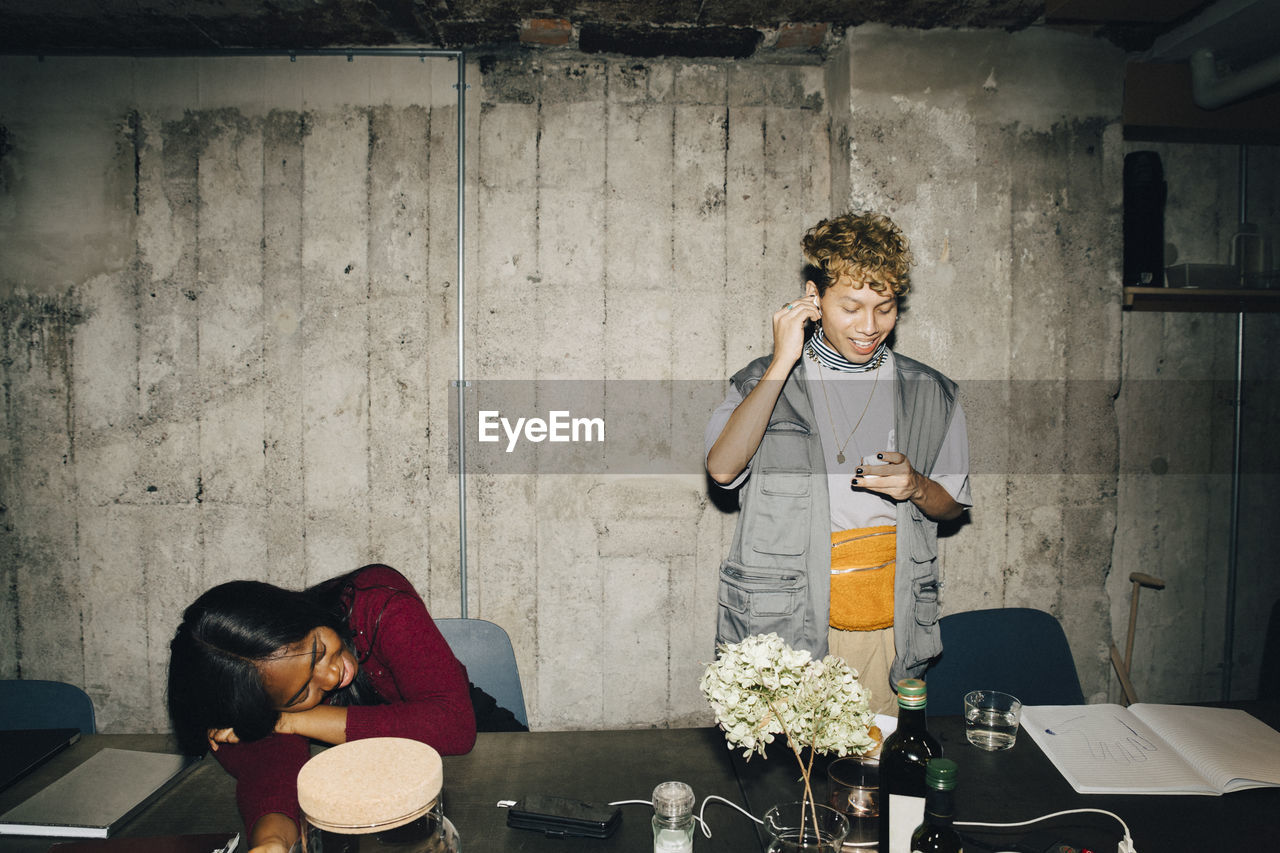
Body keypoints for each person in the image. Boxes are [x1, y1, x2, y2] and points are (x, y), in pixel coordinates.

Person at [705, 211, 971, 715]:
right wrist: (783, 360)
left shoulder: (931, 393)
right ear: (814, 298)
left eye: (885, 308)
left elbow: (953, 507)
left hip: (884, 630)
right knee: (789, 784)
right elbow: (721, 470)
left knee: (870, 778)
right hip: (782, 627)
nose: (869, 326)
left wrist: (915, 485)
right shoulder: (758, 381)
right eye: (851, 307)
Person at [167, 564, 480, 853]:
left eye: (317, 651)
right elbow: (270, 770)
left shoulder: (378, 601)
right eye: (303, 692)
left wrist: (290, 718)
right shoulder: (250, 689)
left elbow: (453, 724)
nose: (332, 676)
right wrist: (272, 842)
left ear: (297, 612)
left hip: (475, 767)